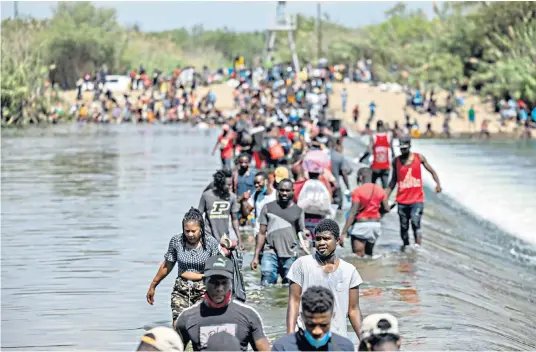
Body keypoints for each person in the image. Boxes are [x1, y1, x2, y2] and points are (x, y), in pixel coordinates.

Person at [175, 255, 270, 351]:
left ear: (231, 283)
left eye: (224, 283)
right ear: (204, 282)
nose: (219, 289)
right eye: (214, 282)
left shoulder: (249, 315)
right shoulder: (186, 318)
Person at [286, 219, 363, 338]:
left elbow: (353, 310)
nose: (321, 242)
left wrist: (365, 340)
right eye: (318, 239)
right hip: (305, 336)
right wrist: (290, 337)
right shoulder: (302, 264)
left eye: (326, 239)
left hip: (337, 337)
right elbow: (294, 302)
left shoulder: (349, 271)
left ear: (337, 240)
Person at [146, 208, 220, 325]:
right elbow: (167, 265)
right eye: (187, 231)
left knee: (198, 325)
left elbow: (218, 269)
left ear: (201, 229)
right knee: (178, 325)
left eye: (193, 231)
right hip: (181, 289)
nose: (190, 234)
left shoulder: (211, 243)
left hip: (203, 289)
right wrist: (153, 285)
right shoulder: (177, 242)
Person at [386, 136, 442, 249]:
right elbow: (393, 181)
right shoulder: (396, 161)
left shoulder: (419, 158)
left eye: (405, 148)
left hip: (417, 200)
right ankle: (406, 248)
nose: (403, 151)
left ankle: (417, 248)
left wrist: (438, 184)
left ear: (410, 146)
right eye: (401, 148)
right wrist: (384, 198)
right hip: (402, 201)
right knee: (404, 227)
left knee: (416, 222)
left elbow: (432, 171)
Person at [250, 179, 309, 285]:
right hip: (270, 252)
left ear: (293, 191)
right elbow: (262, 233)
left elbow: (301, 234)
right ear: (277, 190)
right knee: (266, 284)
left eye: (287, 190)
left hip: (290, 254)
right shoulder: (268, 208)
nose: (284, 193)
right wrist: (256, 256)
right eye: (281, 190)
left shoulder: (298, 211)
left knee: (289, 287)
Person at [273, 286, 355, 351]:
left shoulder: (345, 347)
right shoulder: (282, 348)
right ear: (302, 317)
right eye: (311, 325)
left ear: (332, 317)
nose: (317, 331)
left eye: (323, 325)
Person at [340, 168, 391, 257]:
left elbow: (353, 212)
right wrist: (376, 210)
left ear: (360, 178)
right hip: (375, 227)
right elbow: (387, 209)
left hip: (361, 226)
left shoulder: (357, 191)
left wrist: (343, 232)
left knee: (358, 257)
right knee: (369, 256)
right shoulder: (380, 190)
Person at [198, 169, 243, 248]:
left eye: (231, 184)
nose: (231, 187)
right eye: (228, 185)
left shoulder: (232, 197)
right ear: (220, 184)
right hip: (208, 239)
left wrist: (239, 238)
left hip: (224, 240)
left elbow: (234, 219)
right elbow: (198, 217)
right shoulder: (206, 196)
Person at [240, 171, 277, 237]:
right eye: (255, 183)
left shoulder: (276, 195)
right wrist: (244, 201)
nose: (256, 185)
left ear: (266, 181)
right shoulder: (256, 195)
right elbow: (246, 213)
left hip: (273, 233)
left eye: (258, 182)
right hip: (258, 233)